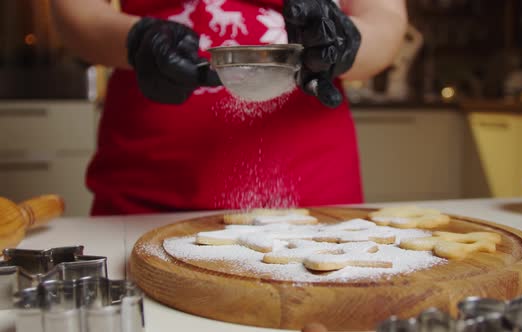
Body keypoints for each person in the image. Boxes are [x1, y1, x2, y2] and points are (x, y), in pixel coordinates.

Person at [51, 0, 408, 216]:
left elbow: (385, 16)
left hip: (311, 190)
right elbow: (74, 12)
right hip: (148, 188)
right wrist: (135, 41)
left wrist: (346, 42)